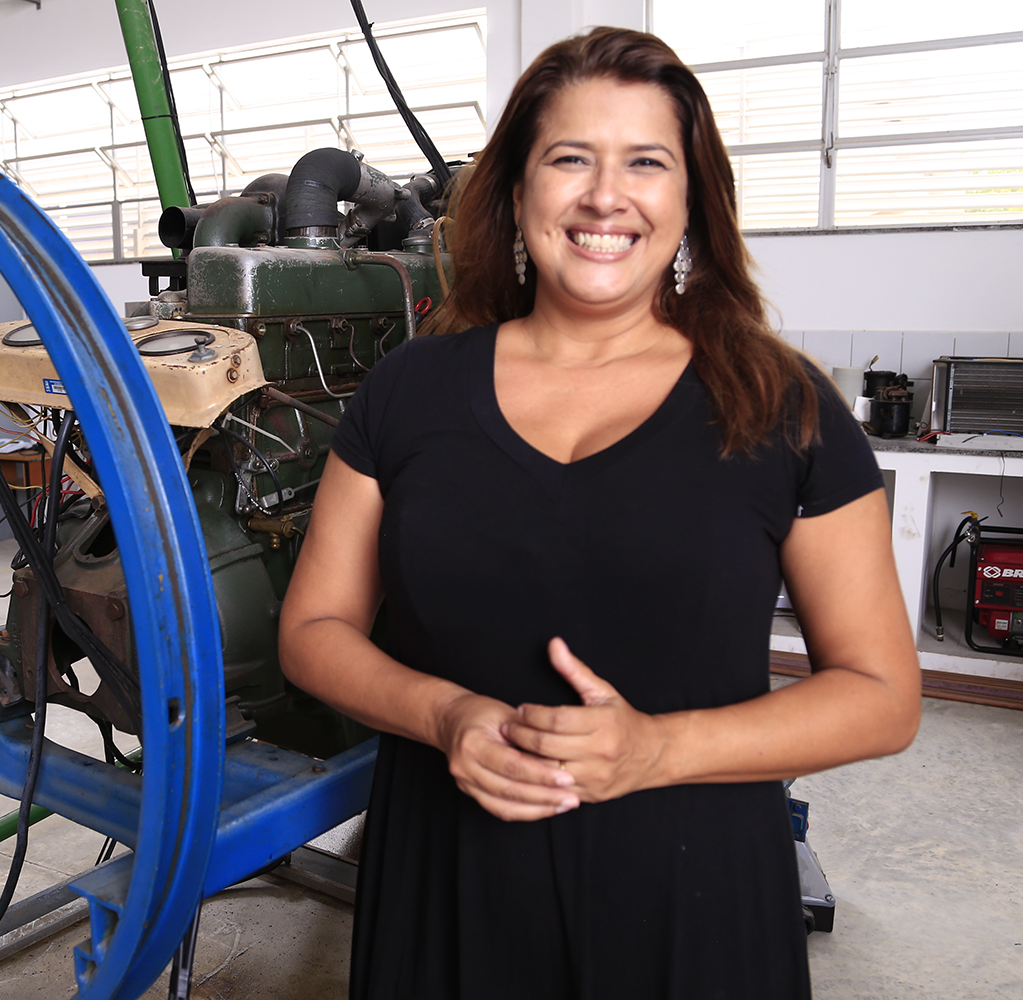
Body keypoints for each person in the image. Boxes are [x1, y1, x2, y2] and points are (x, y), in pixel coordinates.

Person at [279, 27, 920, 1000]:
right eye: (569, 158)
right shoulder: (407, 391)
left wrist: (662, 749)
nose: (604, 196)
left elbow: (882, 693)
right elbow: (314, 630)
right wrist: (445, 714)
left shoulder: (779, 403)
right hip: (449, 890)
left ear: (691, 195)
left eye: (646, 163)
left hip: (693, 902)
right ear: (516, 191)